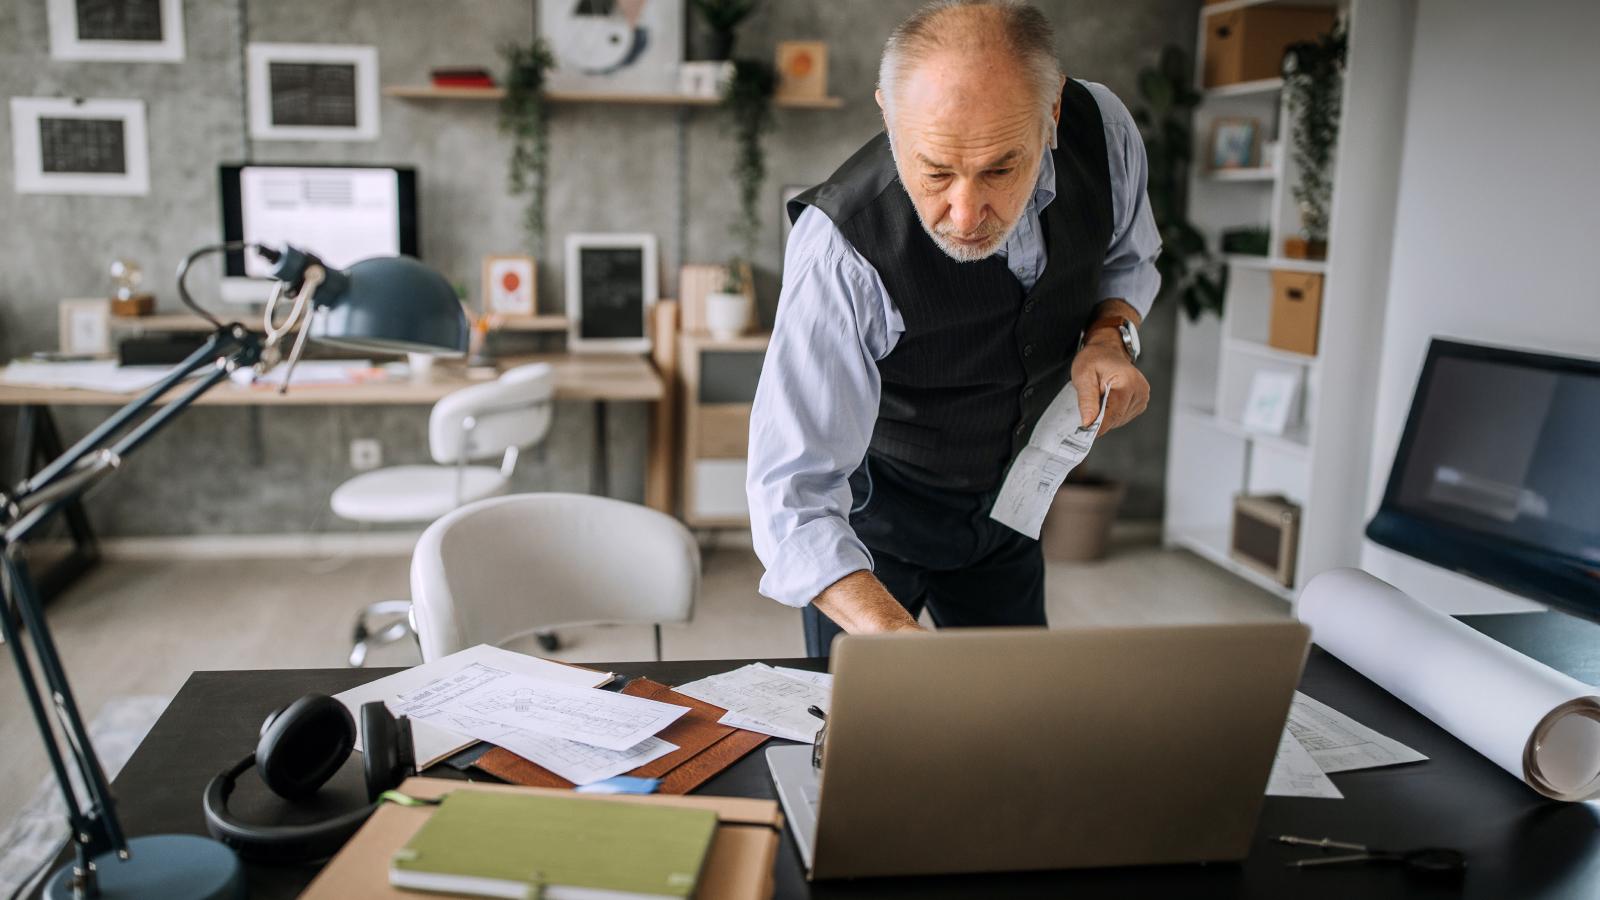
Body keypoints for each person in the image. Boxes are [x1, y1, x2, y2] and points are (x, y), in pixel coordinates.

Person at [747, 0, 1162, 657]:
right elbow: (792, 498)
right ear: (889, 113)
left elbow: (1127, 257)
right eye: (935, 171)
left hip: (1010, 507)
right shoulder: (841, 247)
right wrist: (891, 635)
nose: (965, 215)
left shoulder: (1101, 127)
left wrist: (1109, 336)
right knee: (869, 735)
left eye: (1001, 168)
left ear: (1052, 112)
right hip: (874, 523)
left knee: (1017, 721)